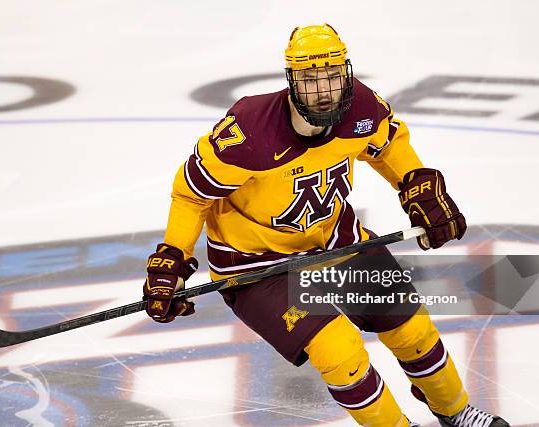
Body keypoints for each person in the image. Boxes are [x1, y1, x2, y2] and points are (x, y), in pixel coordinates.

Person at [142, 24, 509, 427]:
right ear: (290, 80)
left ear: (346, 73)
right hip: (257, 266)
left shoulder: (362, 110)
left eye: (332, 75)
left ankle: (455, 412)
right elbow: (192, 193)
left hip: (337, 242)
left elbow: (388, 143)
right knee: (341, 352)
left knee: (413, 329)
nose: (324, 89)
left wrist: (414, 183)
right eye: (310, 78)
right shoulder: (249, 133)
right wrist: (172, 257)